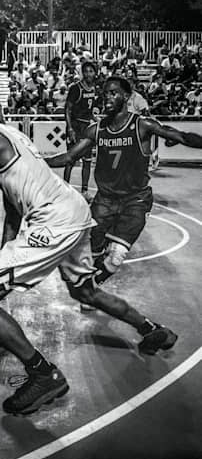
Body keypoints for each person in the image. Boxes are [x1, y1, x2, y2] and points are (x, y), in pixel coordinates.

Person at [0, 74, 178, 416]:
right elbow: (12, 206)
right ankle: (152, 330)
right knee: (85, 292)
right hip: (73, 209)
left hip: (53, 221)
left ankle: (44, 375)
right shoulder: (9, 131)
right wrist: (0, 267)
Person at [47, 76, 202, 297]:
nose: (107, 97)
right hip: (105, 200)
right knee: (92, 252)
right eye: (105, 93)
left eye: (113, 93)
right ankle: (90, 284)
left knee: (115, 257)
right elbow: (69, 157)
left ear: (126, 97)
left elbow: (181, 136)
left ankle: (91, 289)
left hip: (135, 200)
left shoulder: (142, 125)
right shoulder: (97, 129)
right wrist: (36, 160)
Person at [63, 62, 97, 201]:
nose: (89, 74)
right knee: (70, 159)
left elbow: (89, 110)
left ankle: (84, 191)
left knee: (87, 160)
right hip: (76, 126)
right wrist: (70, 128)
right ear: (83, 73)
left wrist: (95, 118)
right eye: (86, 71)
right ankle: (64, 190)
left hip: (86, 127)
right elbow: (67, 109)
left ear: (95, 73)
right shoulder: (75, 88)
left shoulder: (94, 88)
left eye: (91, 71)